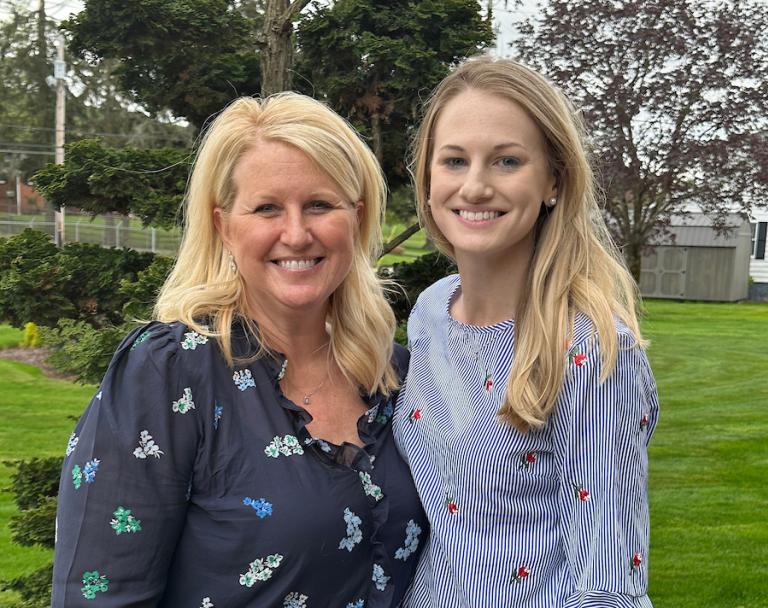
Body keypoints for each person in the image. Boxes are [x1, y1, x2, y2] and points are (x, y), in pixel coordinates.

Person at [53, 92, 427, 607]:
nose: (296, 233)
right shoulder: (171, 372)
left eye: (320, 205)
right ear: (224, 226)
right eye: (267, 208)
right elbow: (100, 593)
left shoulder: (396, 376)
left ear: (357, 218)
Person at [393, 56, 660, 607]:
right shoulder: (430, 311)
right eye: (454, 160)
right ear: (428, 179)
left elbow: (607, 583)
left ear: (553, 181)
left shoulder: (588, 349)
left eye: (507, 161)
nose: (474, 186)